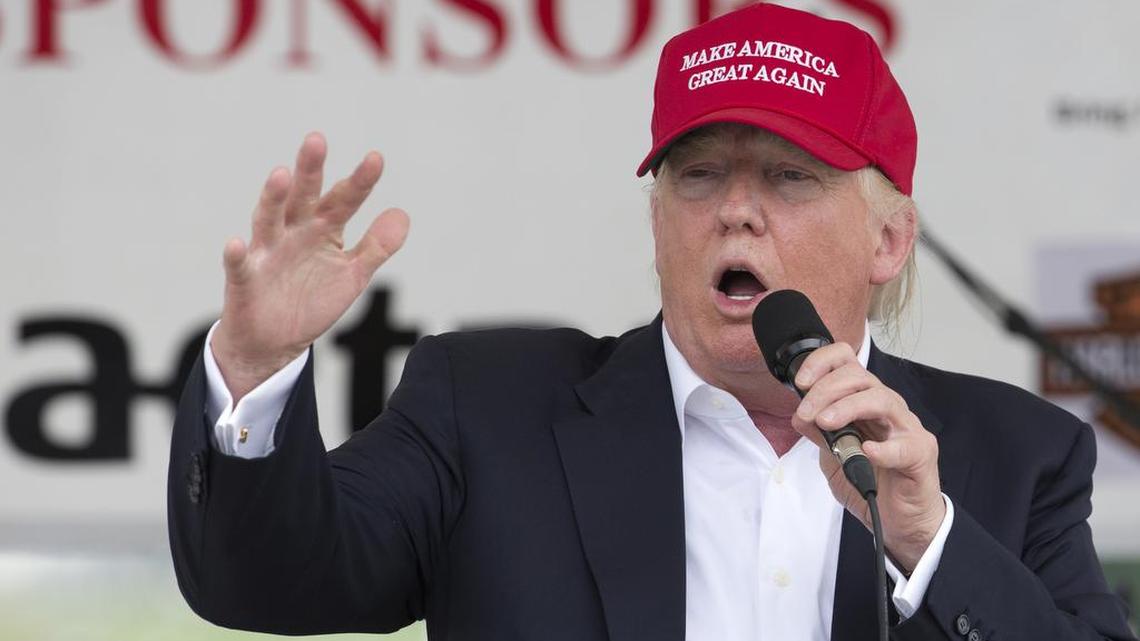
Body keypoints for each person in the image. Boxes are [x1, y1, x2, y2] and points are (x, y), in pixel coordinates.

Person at [168, 4, 1136, 641]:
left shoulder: (1013, 456)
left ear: (889, 238)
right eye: (699, 172)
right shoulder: (489, 409)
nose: (736, 209)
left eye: (790, 177)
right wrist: (255, 367)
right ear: (660, 214)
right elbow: (268, 583)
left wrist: (927, 538)